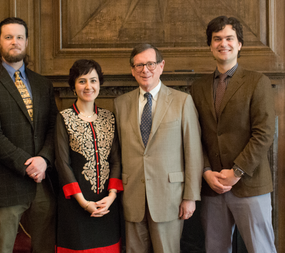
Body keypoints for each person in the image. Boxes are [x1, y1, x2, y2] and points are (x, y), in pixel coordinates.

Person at [0, 17, 58, 253]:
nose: (14, 42)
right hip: (6, 184)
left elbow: (53, 128)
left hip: (43, 184)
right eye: (8, 37)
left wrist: (44, 160)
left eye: (19, 37)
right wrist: (27, 164)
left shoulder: (43, 85)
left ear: (26, 42)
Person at [191, 16, 277, 253]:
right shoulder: (197, 89)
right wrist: (206, 172)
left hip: (249, 184)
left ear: (239, 44)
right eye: (217, 39)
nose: (223, 43)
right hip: (212, 187)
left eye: (229, 38)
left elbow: (264, 133)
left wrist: (237, 171)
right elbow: (194, 137)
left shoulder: (257, 82)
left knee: (261, 249)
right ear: (210, 45)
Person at [114, 43, 203, 253]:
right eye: (139, 65)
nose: (145, 70)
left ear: (161, 66)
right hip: (132, 197)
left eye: (150, 64)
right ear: (132, 70)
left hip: (170, 198)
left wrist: (190, 197)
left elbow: (193, 152)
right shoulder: (120, 104)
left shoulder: (182, 101)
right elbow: (116, 153)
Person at [54, 59, 123, 252]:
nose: (88, 86)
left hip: (107, 204)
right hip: (75, 205)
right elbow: (62, 163)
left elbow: (116, 160)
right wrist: (83, 203)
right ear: (73, 86)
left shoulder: (109, 117)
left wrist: (111, 195)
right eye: (82, 81)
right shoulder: (64, 118)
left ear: (99, 84)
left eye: (93, 80)